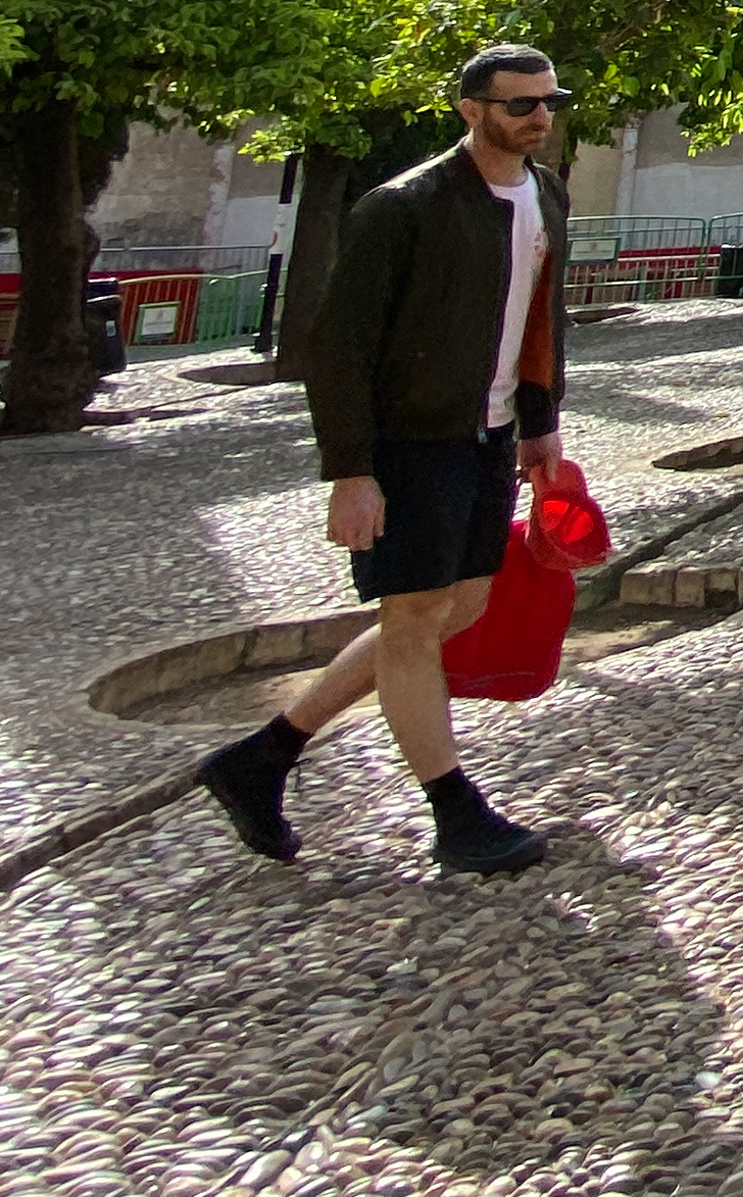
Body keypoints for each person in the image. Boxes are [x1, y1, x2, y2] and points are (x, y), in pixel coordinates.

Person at [196, 44, 575, 874]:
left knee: (459, 607)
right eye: (521, 105)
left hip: (489, 436)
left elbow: (539, 318)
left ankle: (262, 758)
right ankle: (457, 815)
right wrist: (351, 472)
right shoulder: (403, 207)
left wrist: (540, 422)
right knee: (412, 622)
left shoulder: (546, 194)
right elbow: (339, 349)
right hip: (412, 441)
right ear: (472, 110)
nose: (539, 117)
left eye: (549, 101)